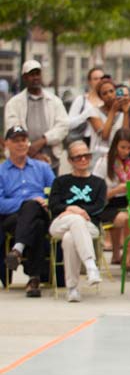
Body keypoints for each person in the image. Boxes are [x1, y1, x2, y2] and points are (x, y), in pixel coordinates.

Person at [0, 125, 56, 297]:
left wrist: (45, 202)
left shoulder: (42, 168)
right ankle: (34, 278)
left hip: (42, 211)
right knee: (35, 223)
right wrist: (26, 202)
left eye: (23, 140)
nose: (20, 144)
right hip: (12, 219)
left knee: (35, 213)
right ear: (6, 144)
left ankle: (17, 250)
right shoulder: (1, 171)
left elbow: (56, 193)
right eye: (16, 141)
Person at [48, 141, 107, 302]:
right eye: (78, 157)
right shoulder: (61, 181)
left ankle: (72, 288)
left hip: (89, 225)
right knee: (74, 220)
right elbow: (53, 205)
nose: (83, 159)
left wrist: (79, 212)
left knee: (70, 238)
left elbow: (100, 207)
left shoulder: (99, 183)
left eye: (86, 156)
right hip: (61, 221)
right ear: (70, 160)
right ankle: (90, 265)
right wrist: (74, 209)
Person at [4, 60, 69, 172]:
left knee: (50, 188)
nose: (35, 78)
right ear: (24, 78)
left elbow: (63, 126)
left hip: (51, 160)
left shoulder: (54, 101)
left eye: (37, 74)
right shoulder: (14, 103)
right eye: (31, 75)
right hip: (23, 160)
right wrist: (31, 151)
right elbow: (13, 129)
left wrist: (43, 140)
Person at [93, 127, 130, 266]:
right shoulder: (104, 163)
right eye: (122, 147)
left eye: (129, 148)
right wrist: (117, 189)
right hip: (107, 203)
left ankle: (122, 254)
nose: (126, 151)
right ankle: (127, 254)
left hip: (128, 200)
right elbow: (96, 193)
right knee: (127, 218)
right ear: (115, 145)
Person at [86, 79, 128, 162]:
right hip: (99, 157)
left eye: (111, 91)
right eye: (104, 93)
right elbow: (104, 136)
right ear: (100, 97)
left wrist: (126, 112)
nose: (109, 95)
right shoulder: (94, 112)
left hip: (118, 157)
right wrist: (112, 111)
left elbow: (125, 135)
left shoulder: (121, 114)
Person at [66, 66, 106, 143]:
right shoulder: (81, 100)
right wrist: (85, 115)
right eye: (95, 79)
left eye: (101, 78)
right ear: (89, 81)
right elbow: (69, 124)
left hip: (103, 143)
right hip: (83, 141)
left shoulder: (108, 101)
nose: (99, 81)